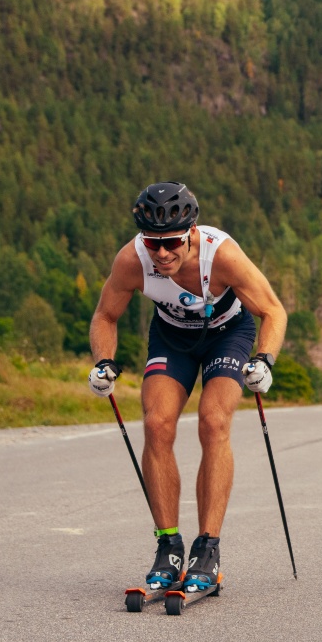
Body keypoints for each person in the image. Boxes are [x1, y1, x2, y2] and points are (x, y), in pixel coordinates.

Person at [87, 182, 288, 595]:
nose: (162, 254)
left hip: (227, 335)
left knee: (213, 423)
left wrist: (264, 360)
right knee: (157, 424)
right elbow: (105, 315)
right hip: (173, 338)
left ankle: (208, 549)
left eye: (172, 242)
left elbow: (272, 310)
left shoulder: (222, 254)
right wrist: (104, 362)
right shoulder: (131, 260)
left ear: (192, 232)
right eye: (153, 244)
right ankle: (169, 546)